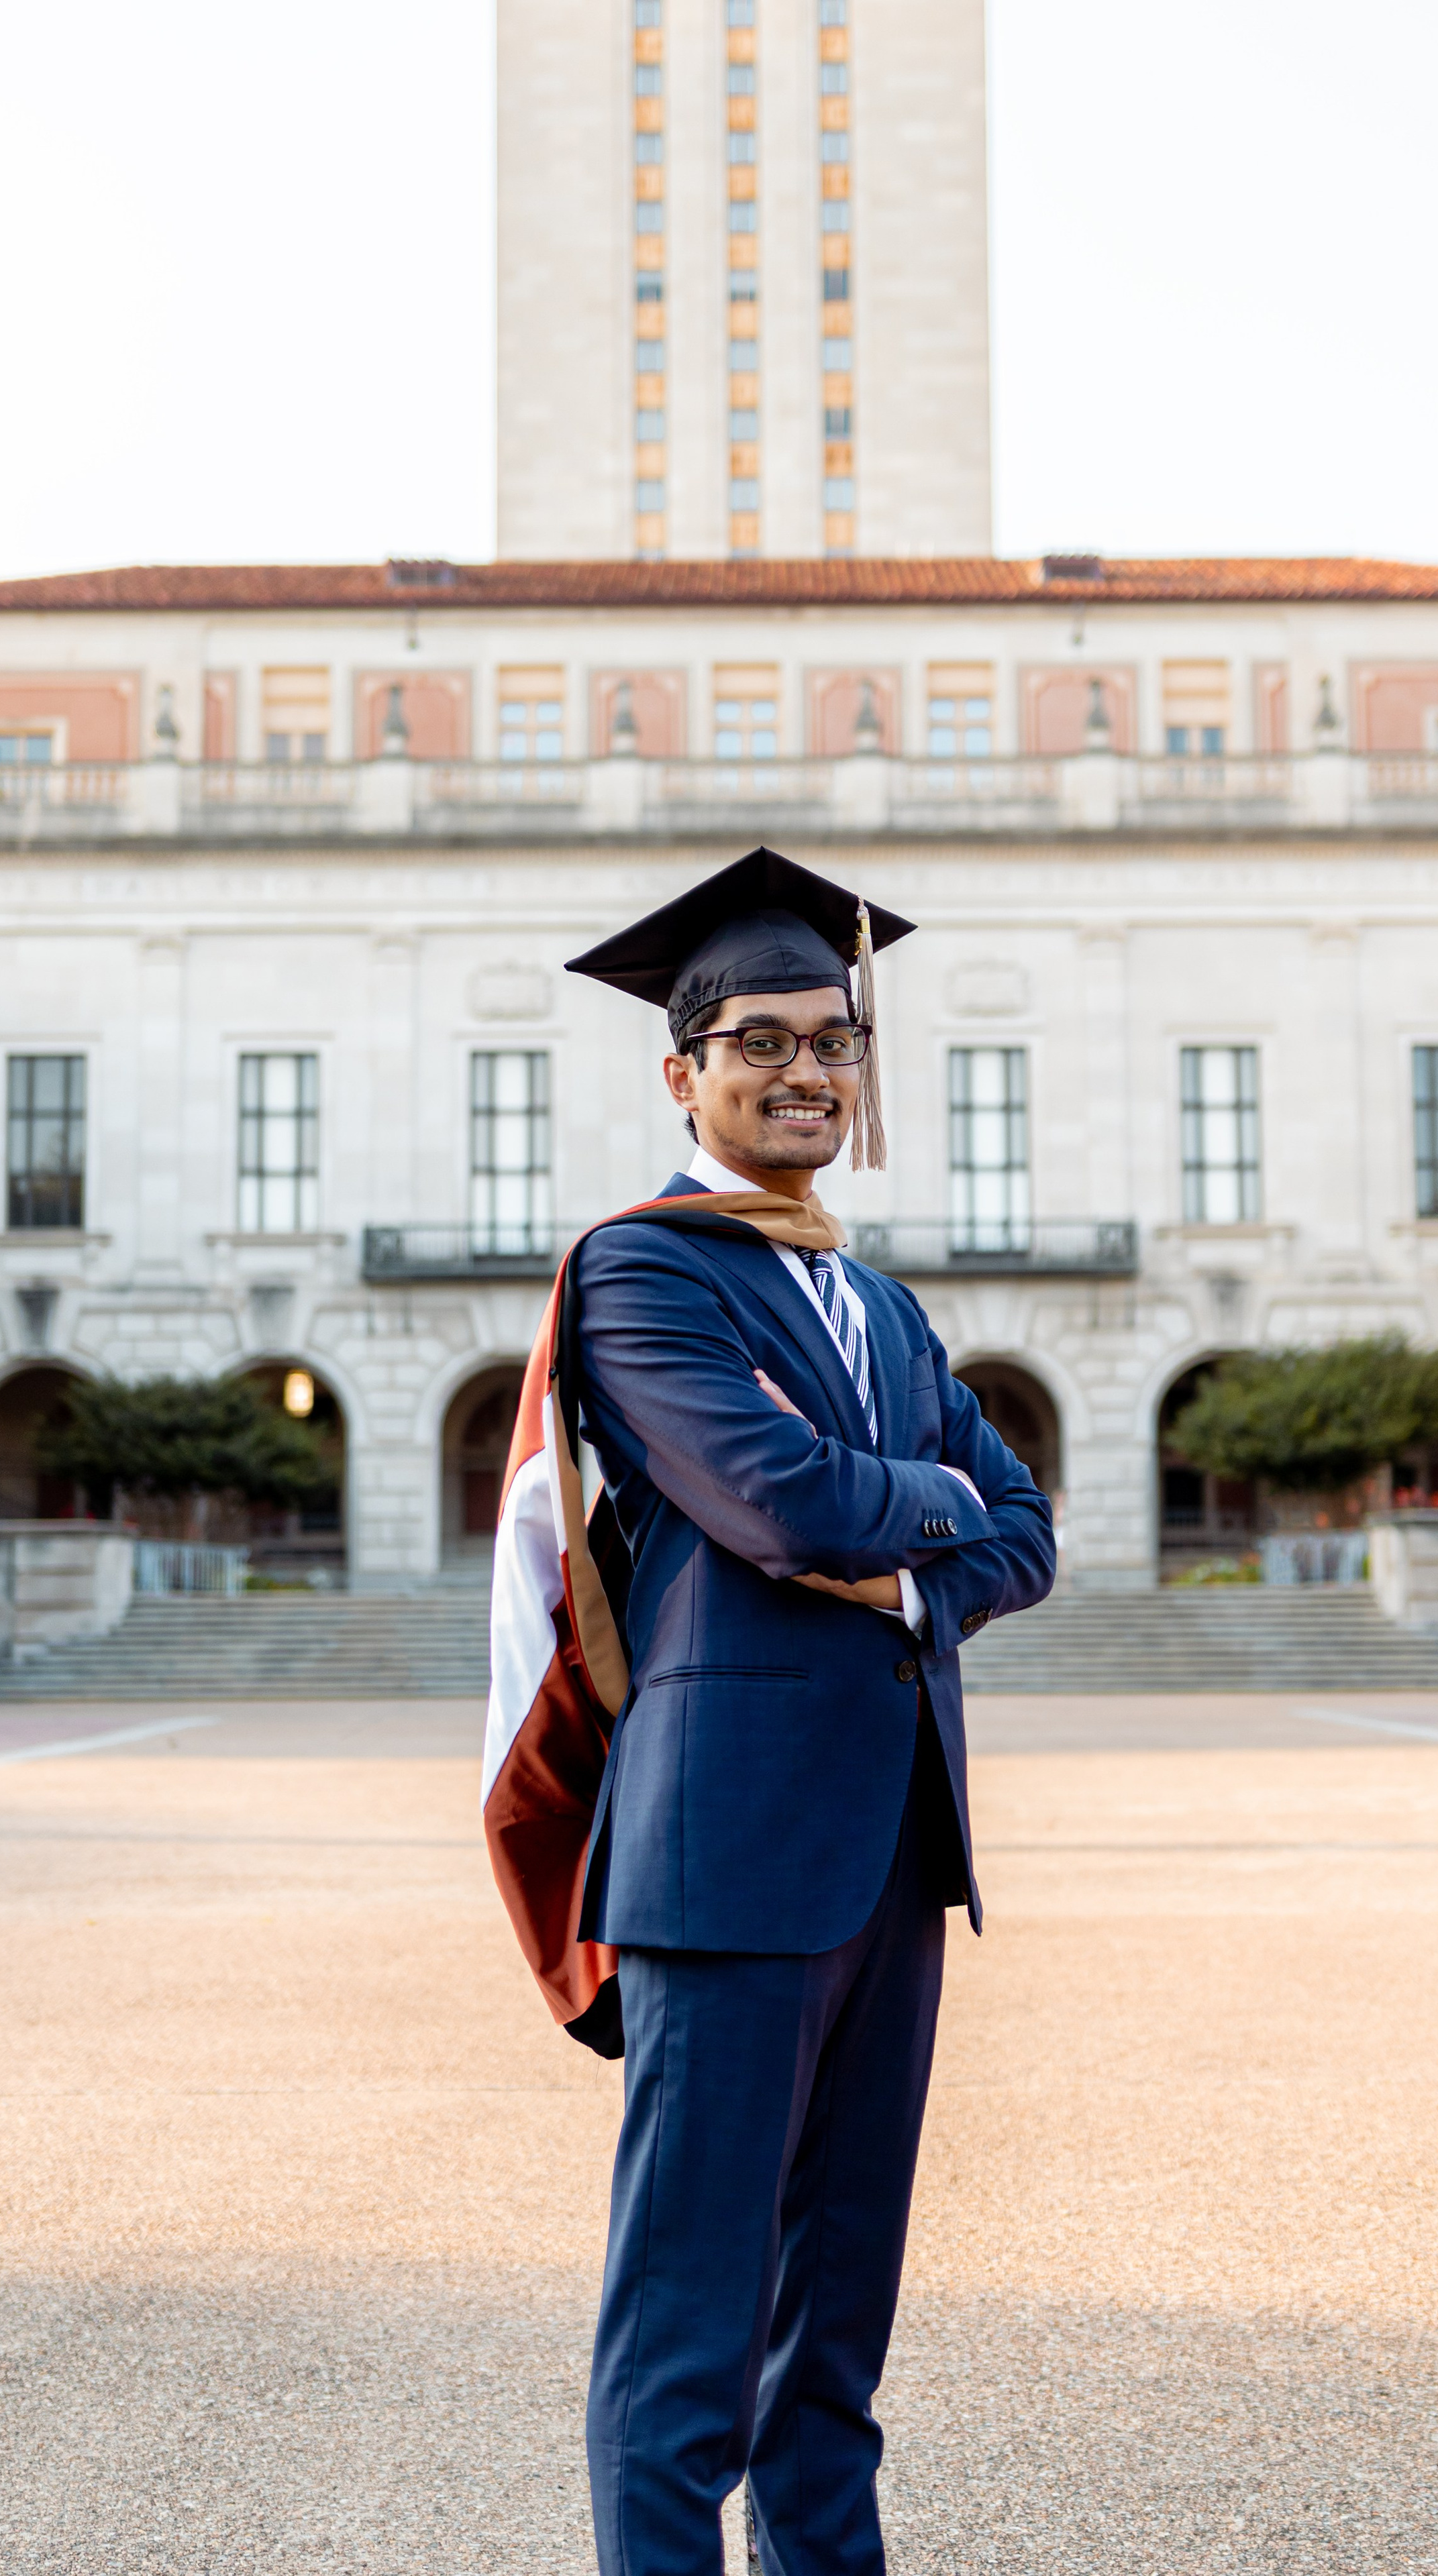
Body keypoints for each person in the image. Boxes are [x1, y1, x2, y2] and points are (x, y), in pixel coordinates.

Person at [548, 848, 1056, 2575]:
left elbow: (1028, 1533)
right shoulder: (644, 1276)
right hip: (727, 1854)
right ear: (680, 1071)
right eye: (758, 1041)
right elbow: (778, 1503)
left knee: (834, 2336)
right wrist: (921, 1510)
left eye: (833, 1042)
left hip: (892, 1851)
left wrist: (908, 1550)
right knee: (688, 2326)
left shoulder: (884, 1306)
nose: (805, 1073)